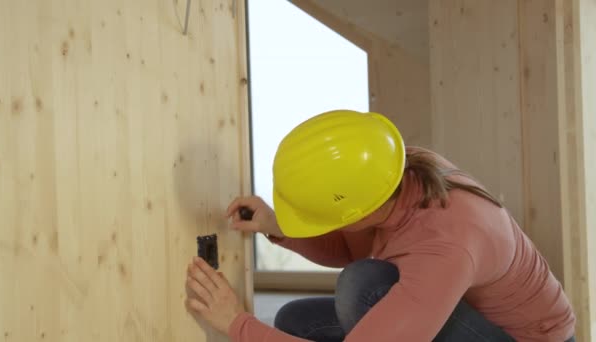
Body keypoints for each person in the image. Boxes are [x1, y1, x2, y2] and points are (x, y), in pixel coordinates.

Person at [185, 110, 576, 341]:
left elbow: (359, 260)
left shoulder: (449, 244)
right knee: (293, 321)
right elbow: (350, 246)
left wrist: (236, 324)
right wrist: (276, 223)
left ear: (358, 211)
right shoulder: (397, 169)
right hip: (456, 306)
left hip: (520, 340)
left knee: (362, 285)